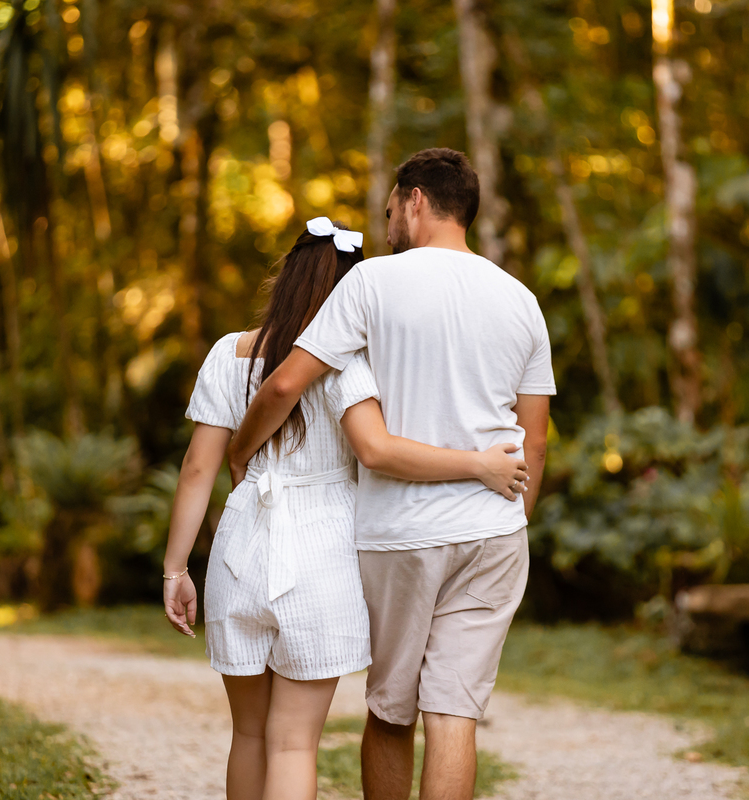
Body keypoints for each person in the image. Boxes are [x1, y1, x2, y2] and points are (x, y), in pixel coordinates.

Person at [162, 216, 530, 800]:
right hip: (321, 559)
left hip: (240, 553)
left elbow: (196, 470)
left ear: (286, 277)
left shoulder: (226, 356)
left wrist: (176, 568)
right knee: (293, 744)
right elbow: (376, 448)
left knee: (249, 737)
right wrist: (479, 464)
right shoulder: (348, 364)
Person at [228, 149, 556, 800]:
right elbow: (536, 438)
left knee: (390, 708)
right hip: (493, 534)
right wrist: (511, 520)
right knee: (456, 713)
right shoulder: (520, 299)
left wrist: (241, 452)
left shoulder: (372, 284)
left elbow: (285, 383)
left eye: (386, 213)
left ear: (414, 199)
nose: (383, 231)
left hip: (401, 533)